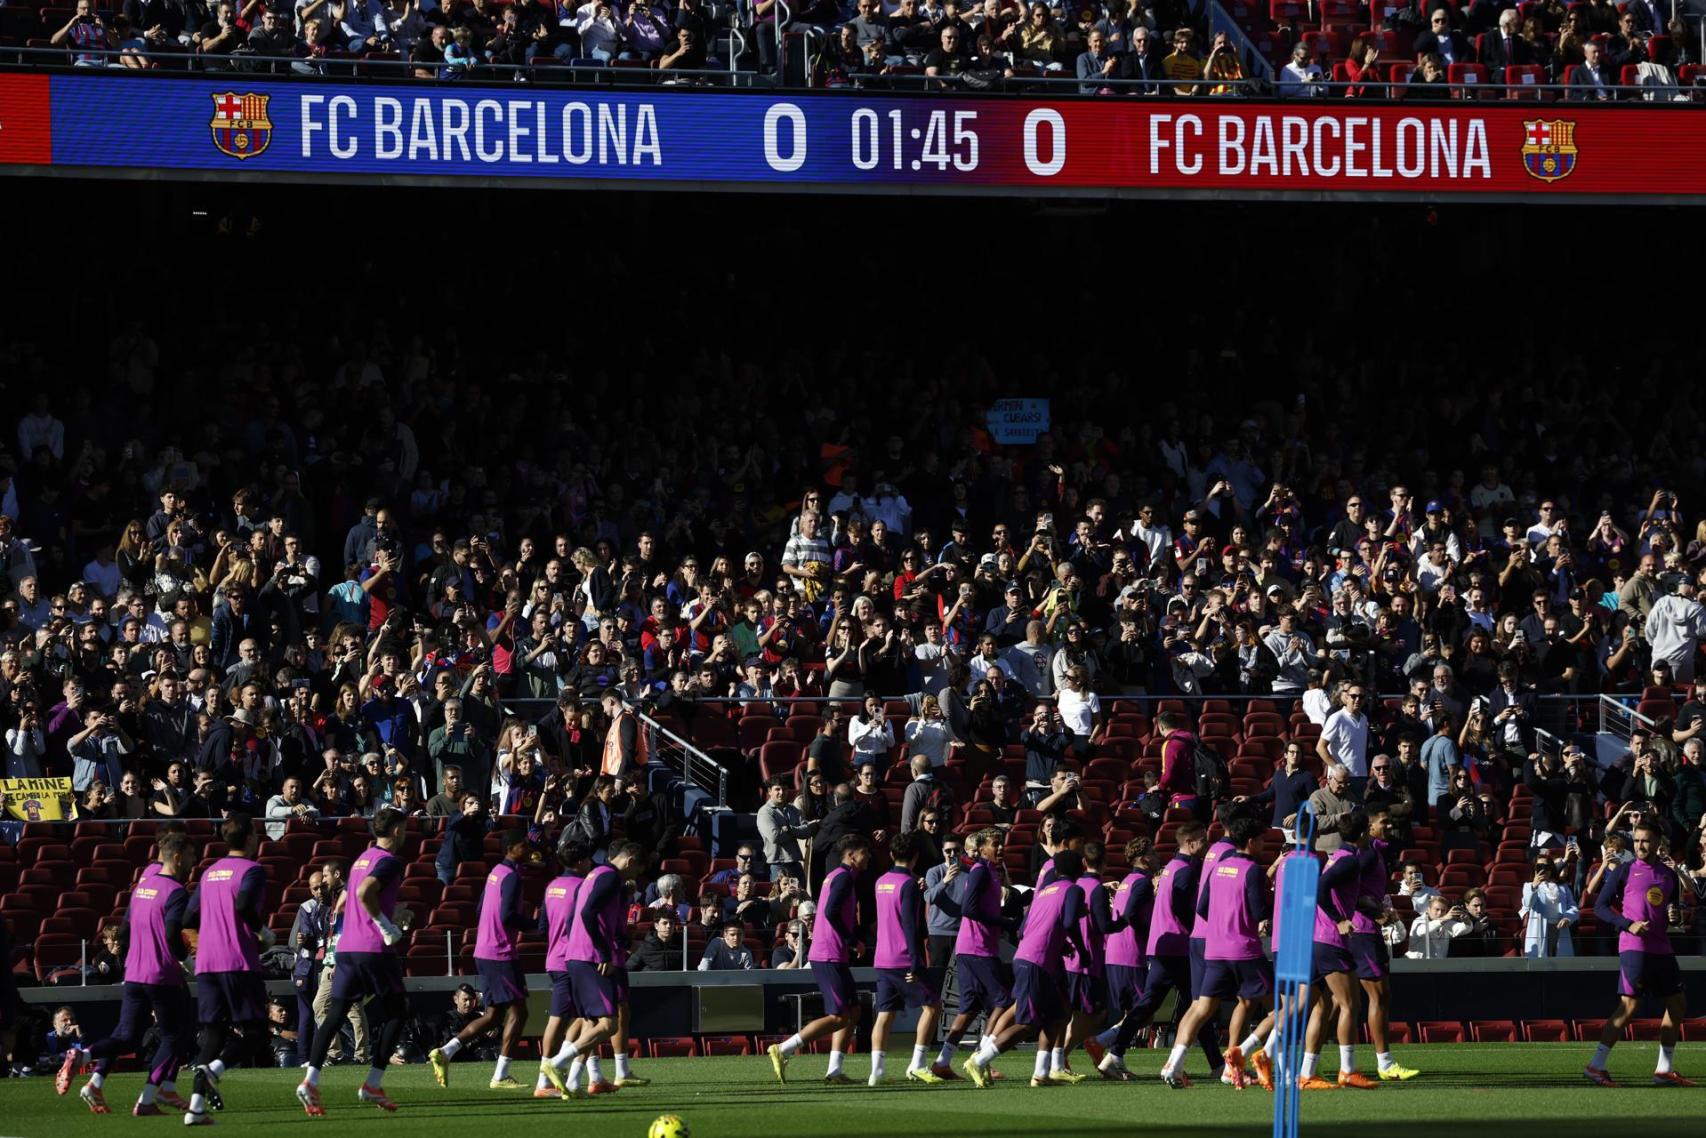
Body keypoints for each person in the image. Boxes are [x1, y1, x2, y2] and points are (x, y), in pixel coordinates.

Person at [64, 832, 195, 1116]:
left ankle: (85, 1061)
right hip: (161, 973)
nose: (194, 861)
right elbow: (173, 934)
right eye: (192, 854)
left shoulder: (144, 883)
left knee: (126, 1036)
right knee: (176, 1034)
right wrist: (189, 962)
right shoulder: (175, 890)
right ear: (177, 855)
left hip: (134, 971)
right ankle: (152, 1095)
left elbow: (125, 926)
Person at [297, 808, 414, 1117]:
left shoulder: (362, 859)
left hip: (346, 948)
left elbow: (344, 901)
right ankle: (373, 1082)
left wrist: (377, 914)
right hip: (373, 948)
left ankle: (310, 1080)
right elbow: (363, 893)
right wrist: (385, 924)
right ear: (398, 830)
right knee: (398, 1011)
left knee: (335, 1012)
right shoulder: (388, 861)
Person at [1094, 823, 1220, 1077]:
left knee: (1154, 1004)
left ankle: (1114, 1051)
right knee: (1198, 1004)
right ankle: (1217, 1064)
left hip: (1163, 946)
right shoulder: (1183, 872)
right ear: (1191, 842)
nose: (1206, 845)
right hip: (1177, 946)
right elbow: (1184, 911)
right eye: (1202, 840)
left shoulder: (1171, 869)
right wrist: (1199, 929)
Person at [1162, 814, 1274, 1089]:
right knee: (1283, 1008)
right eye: (1261, 839)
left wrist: (1224, 923)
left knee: (1202, 1007)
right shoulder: (1253, 871)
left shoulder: (1218, 867)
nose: (1263, 844)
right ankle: (1244, 1054)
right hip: (1245, 952)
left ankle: (1174, 1065)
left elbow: (1202, 908)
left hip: (1215, 950)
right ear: (1251, 841)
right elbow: (1261, 912)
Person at [1584, 819, 1694, 1086]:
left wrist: (1675, 915)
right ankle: (1595, 1066)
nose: (1640, 845)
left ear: (1658, 843)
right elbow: (1598, 906)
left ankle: (1664, 1070)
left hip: (1662, 946)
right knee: (1629, 1005)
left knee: (1677, 1004)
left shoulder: (1668, 875)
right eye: (1636, 840)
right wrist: (1628, 924)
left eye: (1645, 840)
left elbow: (1671, 911)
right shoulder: (1624, 870)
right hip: (1634, 947)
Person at [182, 814, 272, 1123]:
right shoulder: (253, 870)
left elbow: (187, 919)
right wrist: (263, 931)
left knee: (213, 1033)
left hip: (207, 964)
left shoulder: (209, 873)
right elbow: (244, 905)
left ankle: (195, 1108)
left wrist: (202, 945)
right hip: (238, 961)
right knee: (257, 1032)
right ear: (248, 838)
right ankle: (213, 1070)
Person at [429, 830, 532, 1091]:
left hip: (484, 950)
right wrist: (538, 925)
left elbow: (479, 909)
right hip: (500, 952)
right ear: (511, 848)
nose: (528, 848)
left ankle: (446, 1051)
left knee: (493, 1015)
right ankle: (500, 1075)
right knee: (519, 1012)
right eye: (524, 844)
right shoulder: (512, 876)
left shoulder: (495, 873)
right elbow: (508, 915)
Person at [766, 834, 872, 1084]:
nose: (868, 857)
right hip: (829, 954)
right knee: (838, 1016)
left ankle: (834, 1071)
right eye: (865, 852)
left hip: (834, 954)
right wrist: (851, 939)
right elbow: (830, 911)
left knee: (853, 1012)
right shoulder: (843, 878)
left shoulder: (836, 876)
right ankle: (782, 1049)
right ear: (852, 854)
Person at [545, 840, 648, 1096]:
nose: (636, 876)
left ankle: (572, 1082)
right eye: (638, 869)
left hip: (576, 955)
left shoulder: (593, 875)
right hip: (592, 957)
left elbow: (576, 916)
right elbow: (587, 913)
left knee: (591, 1022)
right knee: (609, 1023)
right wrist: (603, 952)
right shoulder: (610, 878)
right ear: (630, 862)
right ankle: (556, 1064)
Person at [1299, 810, 1381, 1090]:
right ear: (1363, 834)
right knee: (1350, 1004)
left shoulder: (1337, 856)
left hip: (1317, 938)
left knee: (1320, 1007)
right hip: (1330, 939)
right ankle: (1348, 1070)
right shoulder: (1350, 862)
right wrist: (1340, 919)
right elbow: (1321, 887)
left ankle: (1307, 1072)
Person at [937, 828, 1018, 1079]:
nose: (1001, 848)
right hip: (978, 948)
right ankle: (982, 1058)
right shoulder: (981, 871)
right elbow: (969, 910)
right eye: (996, 844)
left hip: (973, 947)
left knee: (970, 1007)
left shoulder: (991, 871)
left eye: (1002, 843)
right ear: (982, 849)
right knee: (1004, 1001)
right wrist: (1003, 922)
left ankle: (942, 1062)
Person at [867, 830, 946, 1086]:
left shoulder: (881, 881)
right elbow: (910, 925)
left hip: (882, 957)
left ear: (891, 854)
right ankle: (918, 1064)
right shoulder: (909, 884)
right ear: (915, 856)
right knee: (933, 1006)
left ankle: (876, 1072)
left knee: (885, 1013)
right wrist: (916, 960)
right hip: (903, 958)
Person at [1352, 806, 1418, 1080]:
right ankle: (1385, 1064)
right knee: (1375, 996)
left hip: (1369, 931)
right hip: (1362, 931)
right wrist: (1378, 911)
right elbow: (1349, 891)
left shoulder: (1377, 851)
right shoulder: (1365, 855)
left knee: (1356, 999)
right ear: (1369, 827)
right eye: (1384, 822)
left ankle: (1311, 1062)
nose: (1389, 826)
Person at [534, 837, 590, 1099]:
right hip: (573, 960)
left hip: (554, 957)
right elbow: (579, 923)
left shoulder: (551, 886)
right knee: (561, 1019)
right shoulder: (582, 887)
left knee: (582, 1017)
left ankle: (568, 1076)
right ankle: (544, 1080)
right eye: (587, 859)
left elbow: (543, 927)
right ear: (580, 862)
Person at [1520, 856, 1579, 957]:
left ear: (1552, 869)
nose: (1543, 870)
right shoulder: (1529, 886)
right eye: (1539, 866)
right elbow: (1527, 903)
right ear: (1535, 869)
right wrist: (1534, 885)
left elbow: (1573, 907)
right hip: (1540, 930)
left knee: (1560, 964)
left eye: (1547, 867)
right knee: (1540, 965)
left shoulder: (1563, 887)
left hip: (1559, 928)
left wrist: (1568, 917)